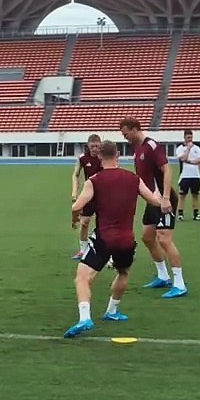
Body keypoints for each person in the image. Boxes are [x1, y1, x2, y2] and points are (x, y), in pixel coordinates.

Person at [64, 141, 165, 338]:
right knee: (123, 272)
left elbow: (77, 206)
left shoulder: (94, 180)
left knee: (82, 277)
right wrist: (163, 194)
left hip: (104, 238)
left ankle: (84, 318)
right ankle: (112, 311)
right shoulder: (133, 179)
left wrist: (75, 219)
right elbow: (154, 201)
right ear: (118, 154)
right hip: (126, 239)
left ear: (99, 156)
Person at [119, 118, 187, 298]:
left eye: (126, 134)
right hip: (153, 200)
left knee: (164, 239)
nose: (125, 137)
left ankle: (180, 284)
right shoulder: (137, 148)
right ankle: (163, 276)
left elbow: (167, 169)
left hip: (164, 200)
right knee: (147, 237)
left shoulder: (151, 146)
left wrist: (165, 198)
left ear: (135, 129)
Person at [71, 134, 103, 260]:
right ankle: (83, 250)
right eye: (92, 146)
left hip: (103, 194)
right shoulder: (83, 158)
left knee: (104, 223)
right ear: (88, 146)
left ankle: (105, 248)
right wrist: (75, 191)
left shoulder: (104, 157)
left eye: (97, 146)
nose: (95, 149)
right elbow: (75, 174)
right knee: (84, 222)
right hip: (89, 194)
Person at [174, 130, 200, 221]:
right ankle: (180, 214)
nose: (190, 139)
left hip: (195, 175)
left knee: (195, 195)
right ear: (184, 138)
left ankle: (196, 214)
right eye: (188, 137)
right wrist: (188, 149)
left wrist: (191, 161)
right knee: (182, 195)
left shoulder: (197, 148)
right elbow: (183, 158)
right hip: (184, 176)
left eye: (191, 137)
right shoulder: (180, 148)